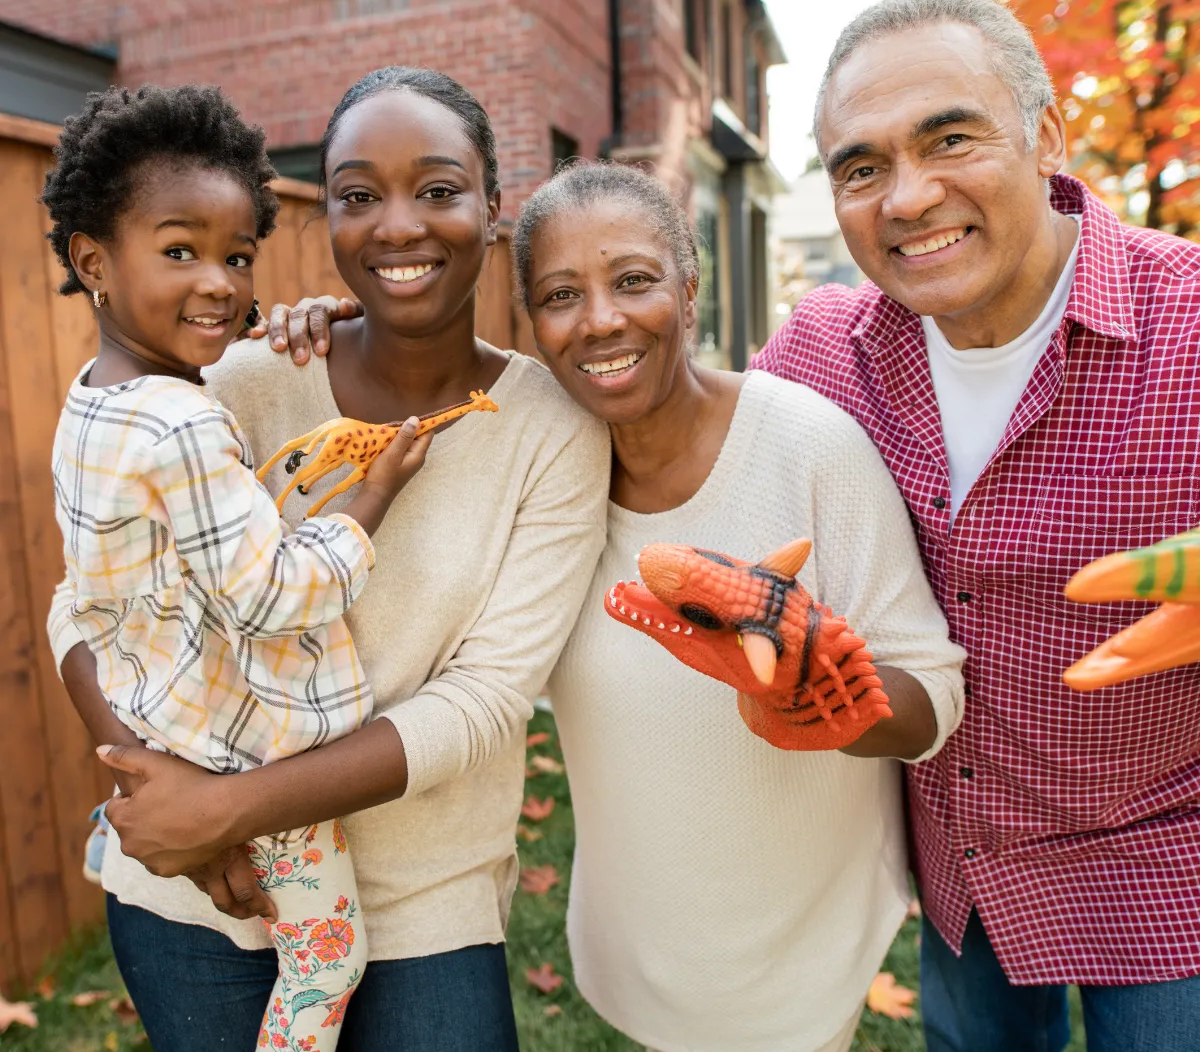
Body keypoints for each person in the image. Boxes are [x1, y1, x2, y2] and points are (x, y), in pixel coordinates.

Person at [255, 160, 967, 1051]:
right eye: (560, 295)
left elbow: (932, 697)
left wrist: (817, 691)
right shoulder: (537, 466)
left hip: (797, 945)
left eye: (634, 280)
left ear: (689, 281)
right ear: (532, 323)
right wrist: (331, 325)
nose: (601, 320)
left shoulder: (811, 446)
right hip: (635, 945)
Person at [50, 67, 609, 1052]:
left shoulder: (550, 430)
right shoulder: (228, 377)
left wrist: (226, 808)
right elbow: (88, 598)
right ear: (332, 221)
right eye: (358, 195)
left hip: (421, 899)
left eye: (438, 190)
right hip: (194, 895)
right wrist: (158, 794)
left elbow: (482, 702)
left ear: (490, 211)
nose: (397, 225)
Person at [752, 0, 1200, 1051]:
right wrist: (368, 343)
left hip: (1165, 865)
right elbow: (661, 425)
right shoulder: (826, 349)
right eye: (861, 167)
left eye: (950, 138)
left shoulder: (1189, 320)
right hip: (962, 873)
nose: (907, 197)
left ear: (1045, 136)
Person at [45, 83, 432, 1050]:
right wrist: (371, 499)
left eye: (236, 255)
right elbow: (268, 598)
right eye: (180, 251)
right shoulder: (182, 422)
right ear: (93, 260)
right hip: (246, 749)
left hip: (154, 713)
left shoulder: (96, 399)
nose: (218, 281)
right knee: (325, 960)